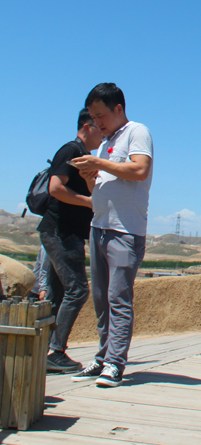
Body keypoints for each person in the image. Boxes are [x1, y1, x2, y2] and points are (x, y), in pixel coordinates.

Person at [70, 84, 153, 388]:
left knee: (118, 298)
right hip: (100, 227)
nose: (96, 123)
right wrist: (91, 178)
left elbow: (140, 169)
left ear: (118, 108)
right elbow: (100, 190)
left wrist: (99, 163)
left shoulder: (136, 131)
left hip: (124, 230)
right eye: (92, 117)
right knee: (101, 299)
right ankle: (104, 356)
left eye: (100, 115)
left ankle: (116, 363)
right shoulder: (107, 143)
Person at [38, 108, 102, 373]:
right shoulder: (71, 151)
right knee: (77, 290)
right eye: (99, 126)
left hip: (67, 233)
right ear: (86, 126)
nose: (103, 132)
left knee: (58, 292)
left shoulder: (84, 155)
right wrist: (89, 202)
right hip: (60, 232)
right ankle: (55, 351)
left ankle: (42, 349)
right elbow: (55, 187)